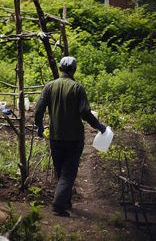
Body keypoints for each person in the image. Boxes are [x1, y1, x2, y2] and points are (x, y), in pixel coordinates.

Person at [34, 56, 106, 217]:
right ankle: (59, 204)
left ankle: (65, 201)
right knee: (68, 172)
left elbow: (38, 109)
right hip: (74, 138)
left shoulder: (49, 87)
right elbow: (85, 112)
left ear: (60, 69)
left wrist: (39, 125)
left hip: (56, 137)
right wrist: (98, 126)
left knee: (61, 170)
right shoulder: (77, 88)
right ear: (74, 70)